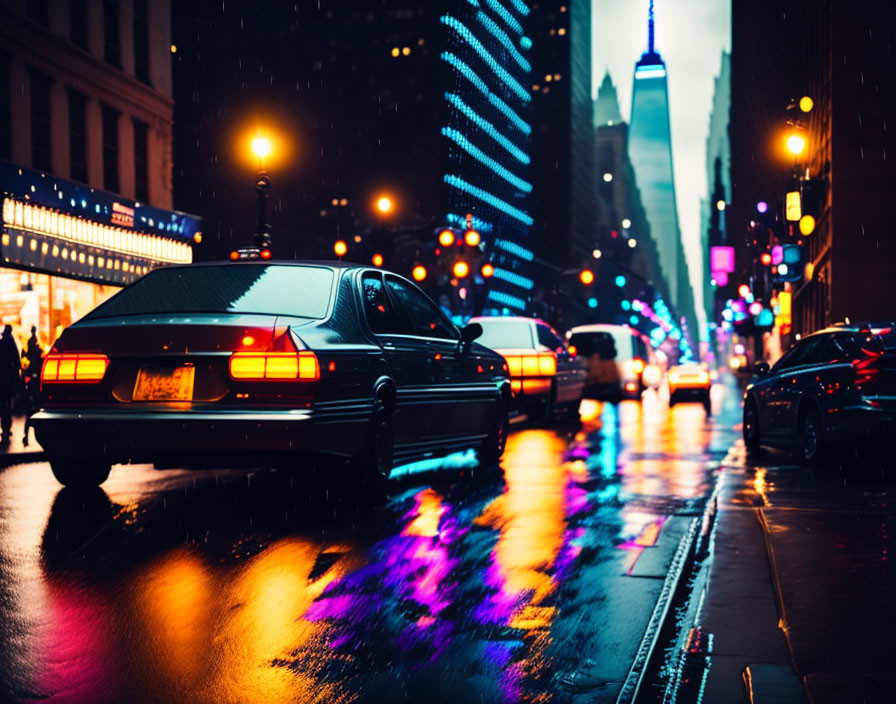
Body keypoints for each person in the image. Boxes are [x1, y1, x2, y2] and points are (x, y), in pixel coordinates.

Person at [0, 325, 22, 444]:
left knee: (3, 403)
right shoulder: (12, 343)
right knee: (8, 403)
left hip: (2, 379)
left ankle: (4, 427)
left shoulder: (2, 343)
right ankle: (7, 427)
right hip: (9, 380)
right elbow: (17, 361)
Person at [22, 326, 43, 446]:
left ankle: (26, 436)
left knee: (29, 413)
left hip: (32, 378)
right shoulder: (35, 344)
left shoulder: (31, 343)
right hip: (35, 379)